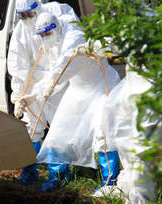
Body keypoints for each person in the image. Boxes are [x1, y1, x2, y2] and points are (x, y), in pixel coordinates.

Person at [92, 0, 162, 204]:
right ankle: (128, 185)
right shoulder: (132, 20)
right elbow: (117, 42)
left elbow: (122, 45)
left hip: (150, 90)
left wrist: (95, 46)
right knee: (121, 131)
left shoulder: (147, 21)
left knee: (141, 145)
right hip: (133, 86)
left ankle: (143, 199)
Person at [34, 12, 121, 192]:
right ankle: (59, 176)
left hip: (100, 88)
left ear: (56, 28)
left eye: (47, 34)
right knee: (59, 131)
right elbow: (53, 71)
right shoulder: (54, 43)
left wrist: (51, 86)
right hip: (78, 89)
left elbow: (64, 67)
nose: (45, 38)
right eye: (41, 35)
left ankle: (109, 182)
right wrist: (33, 94)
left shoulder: (73, 37)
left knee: (103, 134)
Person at [7, 0, 78, 186]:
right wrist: (19, 96)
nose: (27, 19)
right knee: (32, 127)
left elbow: (66, 52)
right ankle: (30, 172)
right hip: (35, 82)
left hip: (58, 79)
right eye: (22, 16)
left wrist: (50, 84)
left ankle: (59, 175)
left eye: (30, 14)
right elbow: (18, 65)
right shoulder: (21, 30)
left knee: (58, 126)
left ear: (37, 7)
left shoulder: (55, 11)